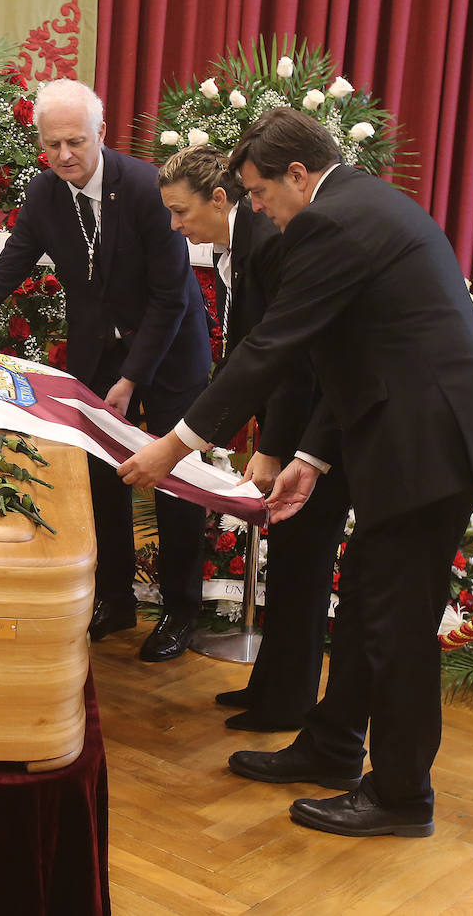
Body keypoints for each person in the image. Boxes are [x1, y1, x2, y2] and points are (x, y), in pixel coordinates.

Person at [120, 107, 473, 838]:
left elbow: (274, 347)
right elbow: (341, 351)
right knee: (368, 610)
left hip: (430, 444)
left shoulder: (330, 222)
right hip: (412, 436)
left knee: (395, 624)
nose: (254, 209)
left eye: (257, 194)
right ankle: (334, 745)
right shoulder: (361, 205)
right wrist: (312, 458)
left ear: (297, 174)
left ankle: (404, 796)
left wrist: (175, 444)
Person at [0, 78, 211, 662]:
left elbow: (171, 298)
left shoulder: (145, 188)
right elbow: (2, 274)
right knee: (102, 478)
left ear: (101, 135)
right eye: (53, 143)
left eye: (77, 142)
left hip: (167, 356)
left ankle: (180, 610)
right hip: (99, 356)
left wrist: (133, 377)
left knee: (173, 484)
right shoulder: (44, 195)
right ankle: (114, 598)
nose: (66, 155)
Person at [156, 144, 349, 733]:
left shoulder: (267, 243)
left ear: (221, 198)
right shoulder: (236, 246)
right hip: (285, 422)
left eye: (181, 211)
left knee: (301, 568)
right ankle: (270, 685)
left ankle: (288, 702)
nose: (175, 225)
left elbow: (291, 361)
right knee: (287, 567)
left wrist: (274, 446)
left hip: (315, 430)